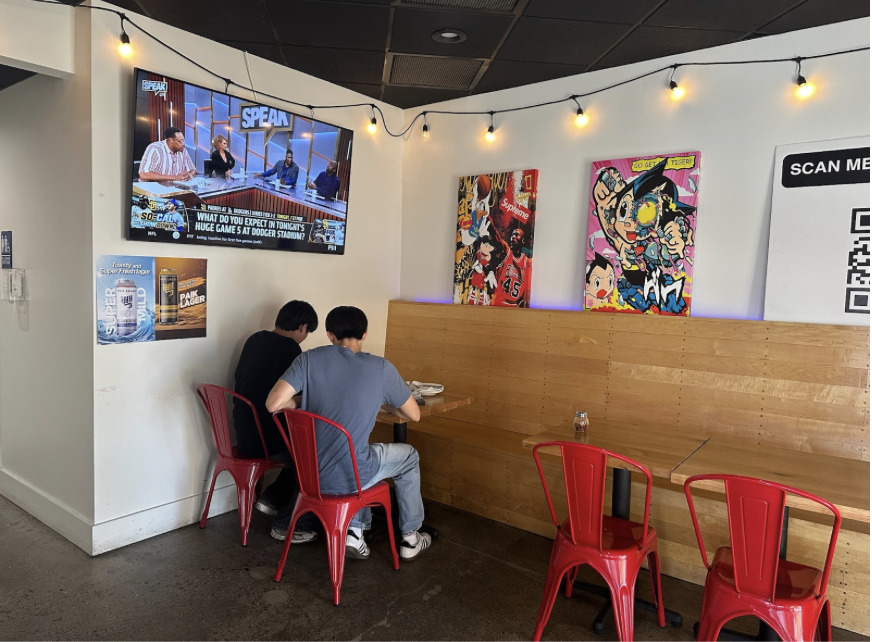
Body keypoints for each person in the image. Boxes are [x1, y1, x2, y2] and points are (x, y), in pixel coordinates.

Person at [266, 306, 432, 561]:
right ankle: (411, 537)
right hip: (352, 473)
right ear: (364, 335)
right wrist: (381, 399)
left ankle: (355, 532)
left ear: (330, 335)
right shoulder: (380, 368)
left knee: (357, 451)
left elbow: (273, 404)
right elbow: (414, 415)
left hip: (308, 475)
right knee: (407, 457)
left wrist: (305, 402)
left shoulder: (309, 358)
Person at [234, 300, 320, 543]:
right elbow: (297, 393)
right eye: (307, 332)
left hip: (244, 432)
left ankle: (271, 497)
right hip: (265, 440)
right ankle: (287, 522)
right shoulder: (290, 349)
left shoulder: (255, 338)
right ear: (302, 327)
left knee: (307, 451)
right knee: (316, 456)